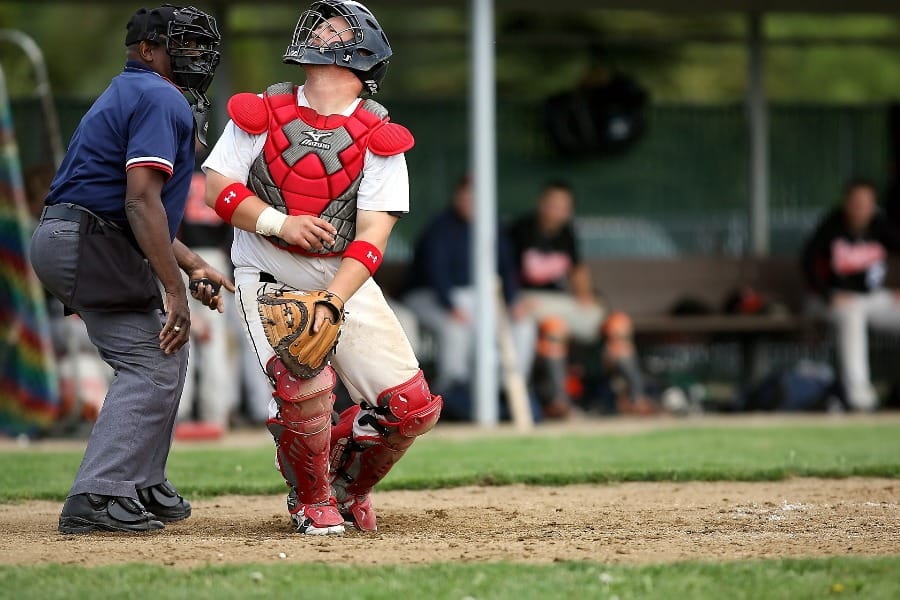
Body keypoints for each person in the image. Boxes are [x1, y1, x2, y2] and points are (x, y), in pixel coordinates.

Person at [202, 0, 442, 535]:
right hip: (267, 271)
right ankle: (310, 500)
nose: (318, 32)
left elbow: (374, 233)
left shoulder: (380, 136)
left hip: (343, 280)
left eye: (335, 30)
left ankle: (347, 486)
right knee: (303, 386)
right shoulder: (263, 110)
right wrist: (279, 224)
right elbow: (217, 190)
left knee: (411, 408)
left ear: (361, 55)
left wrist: (333, 299)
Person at [29, 5, 230, 534]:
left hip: (80, 236)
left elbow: (138, 213)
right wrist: (174, 289)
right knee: (149, 357)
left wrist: (189, 263)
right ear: (147, 50)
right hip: (88, 240)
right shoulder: (160, 95)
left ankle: (139, 481)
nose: (196, 56)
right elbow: (141, 203)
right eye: (179, 44)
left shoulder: (136, 90)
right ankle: (98, 494)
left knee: (165, 349)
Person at [508, 181, 651, 416]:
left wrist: (586, 296)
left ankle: (637, 397)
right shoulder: (520, 230)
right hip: (530, 301)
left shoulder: (566, 233)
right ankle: (560, 402)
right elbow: (504, 272)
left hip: (561, 303)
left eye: (563, 207)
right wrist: (513, 299)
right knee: (555, 327)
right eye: (553, 205)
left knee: (618, 324)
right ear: (541, 204)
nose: (558, 212)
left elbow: (578, 271)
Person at [405, 176, 537, 419]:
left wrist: (513, 301)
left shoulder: (492, 226)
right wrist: (450, 305)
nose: (471, 202)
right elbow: (436, 272)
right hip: (429, 296)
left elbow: (505, 269)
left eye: (476, 197)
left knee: (523, 325)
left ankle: (506, 388)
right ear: (457, 196)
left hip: (477, 298)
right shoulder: (441, 226)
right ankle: (454, 388)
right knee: (457, 327)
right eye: (466, 196)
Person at [802, 178, 900, 411]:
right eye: (856, 202)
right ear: (846, 203)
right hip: (835, 299)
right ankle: (860, 398)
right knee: (852, 313)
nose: (861, 208)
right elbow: (808, 263)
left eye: (866, 203)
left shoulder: (881, 225)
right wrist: (828, 294)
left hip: (874, 298)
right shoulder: (832, 226)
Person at [175, 152, 238, 437]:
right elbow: (233, 223)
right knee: (213, 339)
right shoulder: (219, 168)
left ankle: (179, 412)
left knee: (178, 333)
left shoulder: (176, 167)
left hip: (181, 256)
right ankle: (217, 411)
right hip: (214, 259)